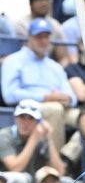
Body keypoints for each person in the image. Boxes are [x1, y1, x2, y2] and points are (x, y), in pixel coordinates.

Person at [0, 20, 76, 153]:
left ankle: (67, 158)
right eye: (38, 37)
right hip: (27, 108)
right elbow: (9, 95)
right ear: (29, 37)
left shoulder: (55, 66)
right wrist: (45, 97)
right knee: (55, 109)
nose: (43, 41)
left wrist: (67, 98)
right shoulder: (13, 61)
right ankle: (53, 166)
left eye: (46, 37)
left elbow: (72, 97)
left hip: (61, 107)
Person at [0, 100, 66, 183]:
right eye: (22, 117)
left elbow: (59, 172)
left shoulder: (42, 138)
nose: (25, 122)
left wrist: (49, 140)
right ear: (15, 118)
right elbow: (15, 168)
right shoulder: (4, 136)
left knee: (66, 182)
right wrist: (33, 139)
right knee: (23, 179)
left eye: (31, 118)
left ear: (38, 122)